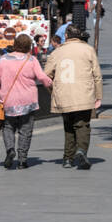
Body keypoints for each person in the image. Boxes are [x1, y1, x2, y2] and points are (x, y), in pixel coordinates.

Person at [0, 33, 53, 169]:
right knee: (25, 130)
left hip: (8, 101)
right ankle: (22, 160)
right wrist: (51, 84)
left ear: (15, 44)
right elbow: (42, 77)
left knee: (8, 127)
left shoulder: (4, 59)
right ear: (29, 46)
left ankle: (10, 149)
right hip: (28, 101)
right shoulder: (32, 60)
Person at [43, 27, 103, 169]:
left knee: (68, 126)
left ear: (66, 35)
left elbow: (46, 76)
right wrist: (98, 96)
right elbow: (97, 76)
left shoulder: (57, 52)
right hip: (84, 94)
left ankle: (68, 159)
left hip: (64, 94)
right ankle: (81, 151)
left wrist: (53, 91)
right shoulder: (88, 50)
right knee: (82, 125)